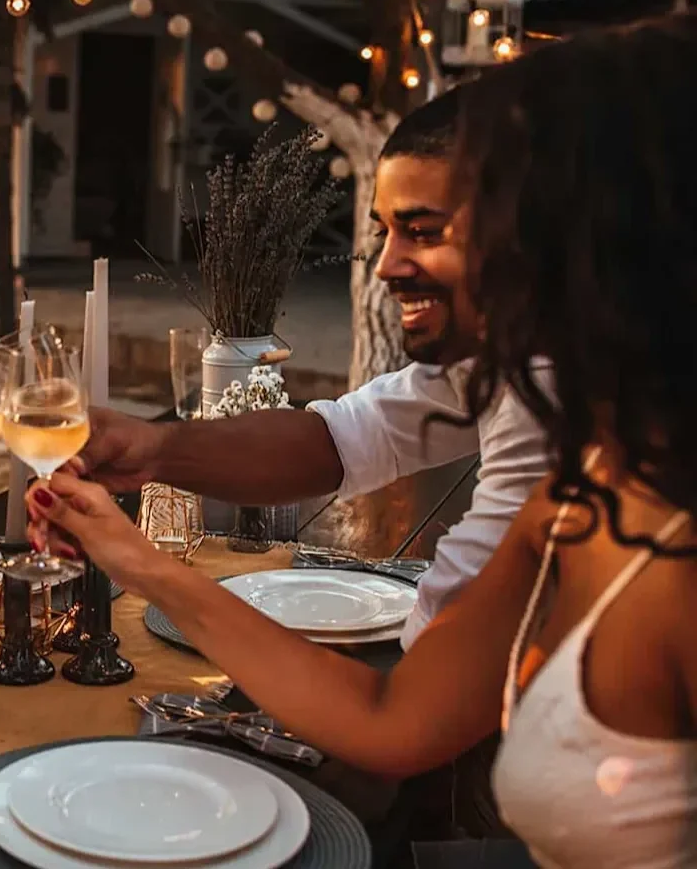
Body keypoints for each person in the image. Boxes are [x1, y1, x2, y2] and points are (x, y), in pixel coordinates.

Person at [30, 12, 697, 868]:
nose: (382, 266)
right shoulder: (589, 482)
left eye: (454, 222)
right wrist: (152, 474)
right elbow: (341, 441)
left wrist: (149, 561)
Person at [74, 84, 549, 653]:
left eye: (423, 232)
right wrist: (154, 448)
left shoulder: (544, 390)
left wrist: (138, 564)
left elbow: (405, 716)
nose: (387, 267)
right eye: (384, 233)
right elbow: (346, 435)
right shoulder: (507, 354)